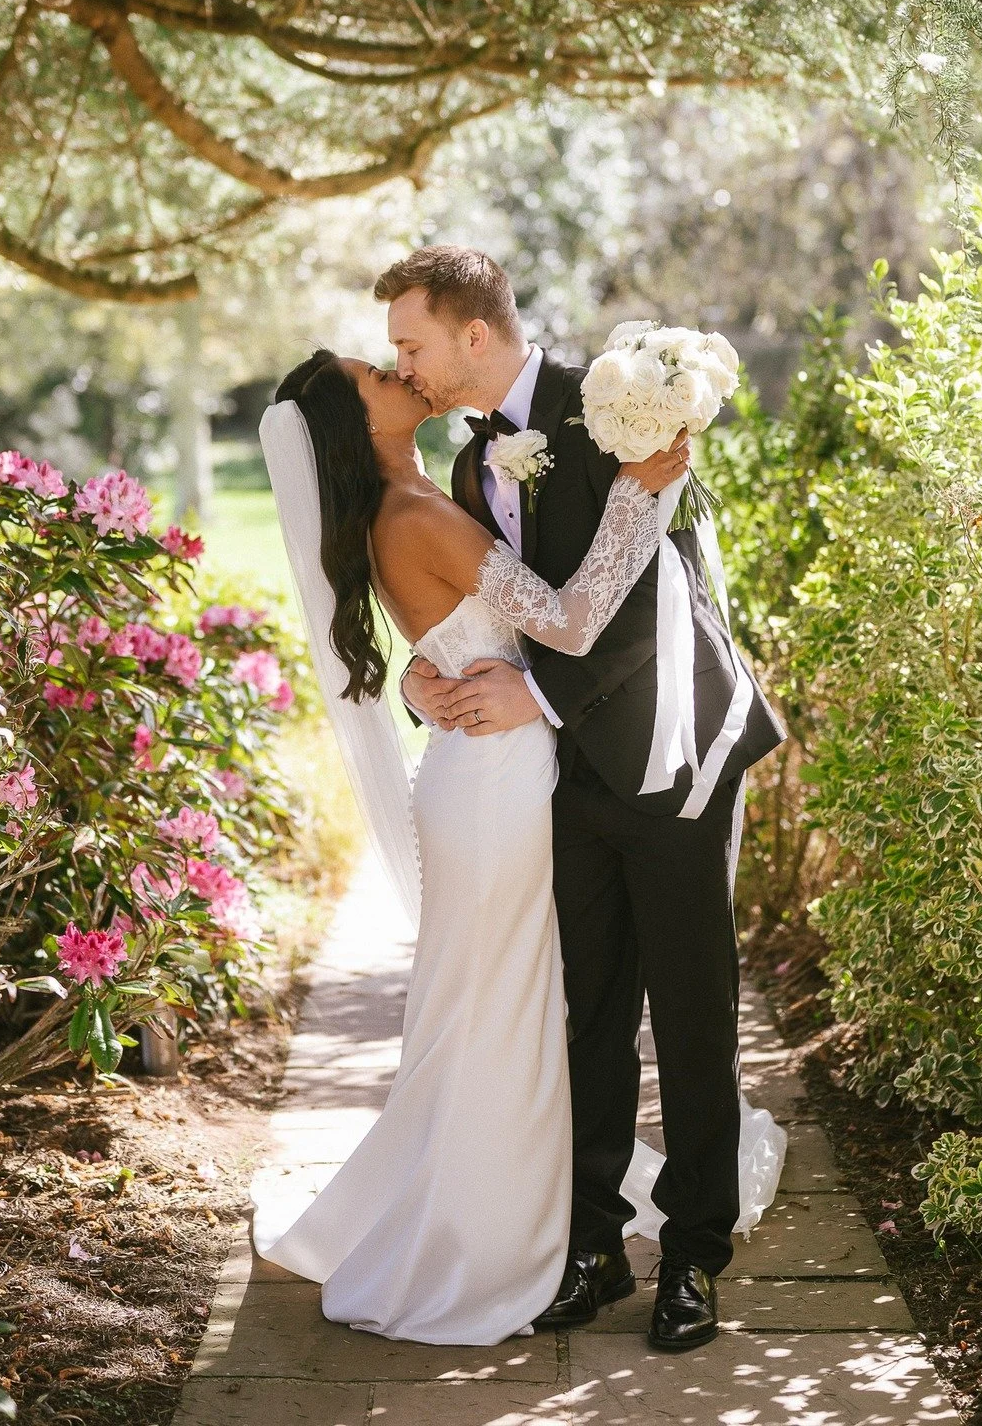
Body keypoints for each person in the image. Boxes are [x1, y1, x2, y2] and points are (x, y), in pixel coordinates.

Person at [378, 248, 786, 1351]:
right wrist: (436, 683)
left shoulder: (620, 409)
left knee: (692, 1014)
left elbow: (660, 602)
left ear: (474, 334)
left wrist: (538, 703)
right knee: (589, 1013)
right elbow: (495, 614)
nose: (400, 364)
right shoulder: (469, 470)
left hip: (672, 758)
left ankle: (695, 1256)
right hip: (560, 780)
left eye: (410, 342)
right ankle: (595, 1246)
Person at [253, 347, 687, 1345]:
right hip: (492, 785)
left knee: (486, 1012)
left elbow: (449, 637)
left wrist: (420, 678)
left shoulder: (404, 503)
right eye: (374, 371)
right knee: (504, 1017)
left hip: (476, 773)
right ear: (349, 424)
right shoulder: (412, 513)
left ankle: (497, 1215)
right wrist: (636, 495)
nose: (395, 368)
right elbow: (573, 624)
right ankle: (487, 1242)